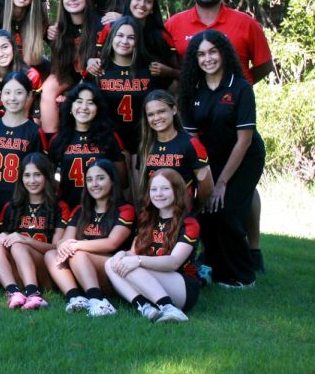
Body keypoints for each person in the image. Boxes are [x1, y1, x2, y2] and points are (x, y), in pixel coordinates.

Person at [165, 0, 274, 272]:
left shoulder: (245, 23)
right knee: (206, 195)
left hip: (235, 116)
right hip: (199, 116)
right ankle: (209, 258)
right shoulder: (176, 23)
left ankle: (252, 252)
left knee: (241, 189)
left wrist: (237, 89)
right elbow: (177, 69)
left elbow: (265, 65)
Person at [177, 31, 265, 288]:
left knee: (226, 211)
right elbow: (192, 140)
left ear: (224, 53)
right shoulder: (192, 89)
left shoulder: (240, 88)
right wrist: (200, 177)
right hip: (210, 159)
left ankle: (243, 276)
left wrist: (222, 182)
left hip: (245, 158)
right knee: (205, 211)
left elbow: (244, 140)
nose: (208, 58)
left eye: (213, 51)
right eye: (201, 54)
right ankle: (214, 266)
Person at [106, 168, 200, 323]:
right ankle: (145, 307)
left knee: (133, 266)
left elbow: (174, 262)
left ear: (177, 191)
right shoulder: (148, 220)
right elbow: (133, 252)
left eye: (165, 188)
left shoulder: (189, 223)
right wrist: (121, 255)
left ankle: (170, 308)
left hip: (183, 285)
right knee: (110, 263)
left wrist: (138, 261)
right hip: (152, 279)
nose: (159, 194)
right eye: (154, 189)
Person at [45, 160, 134, 317]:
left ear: (112, 180)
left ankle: (98, 301)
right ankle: (75, 298)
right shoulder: (80, 210)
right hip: (82, 268)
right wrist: (63, 244)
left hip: (113, 270)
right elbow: (63, 241)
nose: (94, 184)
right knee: (51, 254)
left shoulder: (125, 210)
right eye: (90, 180)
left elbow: (111, 243)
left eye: (100, 178)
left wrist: (78, 245)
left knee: (78, 253)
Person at [0, 153, 65, 310]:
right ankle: (13, 292)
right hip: (18, 270)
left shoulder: (59, 207)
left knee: (18, 245)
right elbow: (4, 238)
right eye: (27, 175)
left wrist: (25, 240)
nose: (32, 181)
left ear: (47, 177)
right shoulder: (12, 206)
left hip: (45, 270)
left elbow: (57, 247)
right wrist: (3, 236)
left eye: (37, 175)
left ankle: (34, 294)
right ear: (21, 178)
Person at [0, 71, 47, 232]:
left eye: (19, 92)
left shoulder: (35, 132)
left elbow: (40, 171)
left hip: (20, 200)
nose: (13, 98)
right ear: (1, 96)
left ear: (29, 95)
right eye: (7, 92)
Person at [87, 16, 165, 155]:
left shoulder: (150, 69)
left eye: (131, 37)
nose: (124, 41)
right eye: (120, 35)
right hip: (107, 141)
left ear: (137, 41)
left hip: (143, 140)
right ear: (112, 38)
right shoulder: (98, 68)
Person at [48, 81, 127, 210]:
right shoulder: (58, 139)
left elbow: (122, 181)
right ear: (70, 107)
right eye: (79, 101)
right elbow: (49, 180)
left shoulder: (110, 138)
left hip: (102, 210)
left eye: (90, 103)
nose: (84, 107)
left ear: (98, 108)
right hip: (69, 209)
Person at [40, 0, 100, 135]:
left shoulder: (100, 25)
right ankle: (51, 142)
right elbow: (61, 68)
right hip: (70, 78)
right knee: (47, 88)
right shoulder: (59, 30)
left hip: (96, 79)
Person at [138, 90, 213, 209]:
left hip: (182, 215)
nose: (156, 118)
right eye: (151, 114)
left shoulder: (190, 143)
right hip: (154, 216)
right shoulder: (145, 146)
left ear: (173, 110)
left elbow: (207, 187)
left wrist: (192, 210)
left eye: (161, 111)